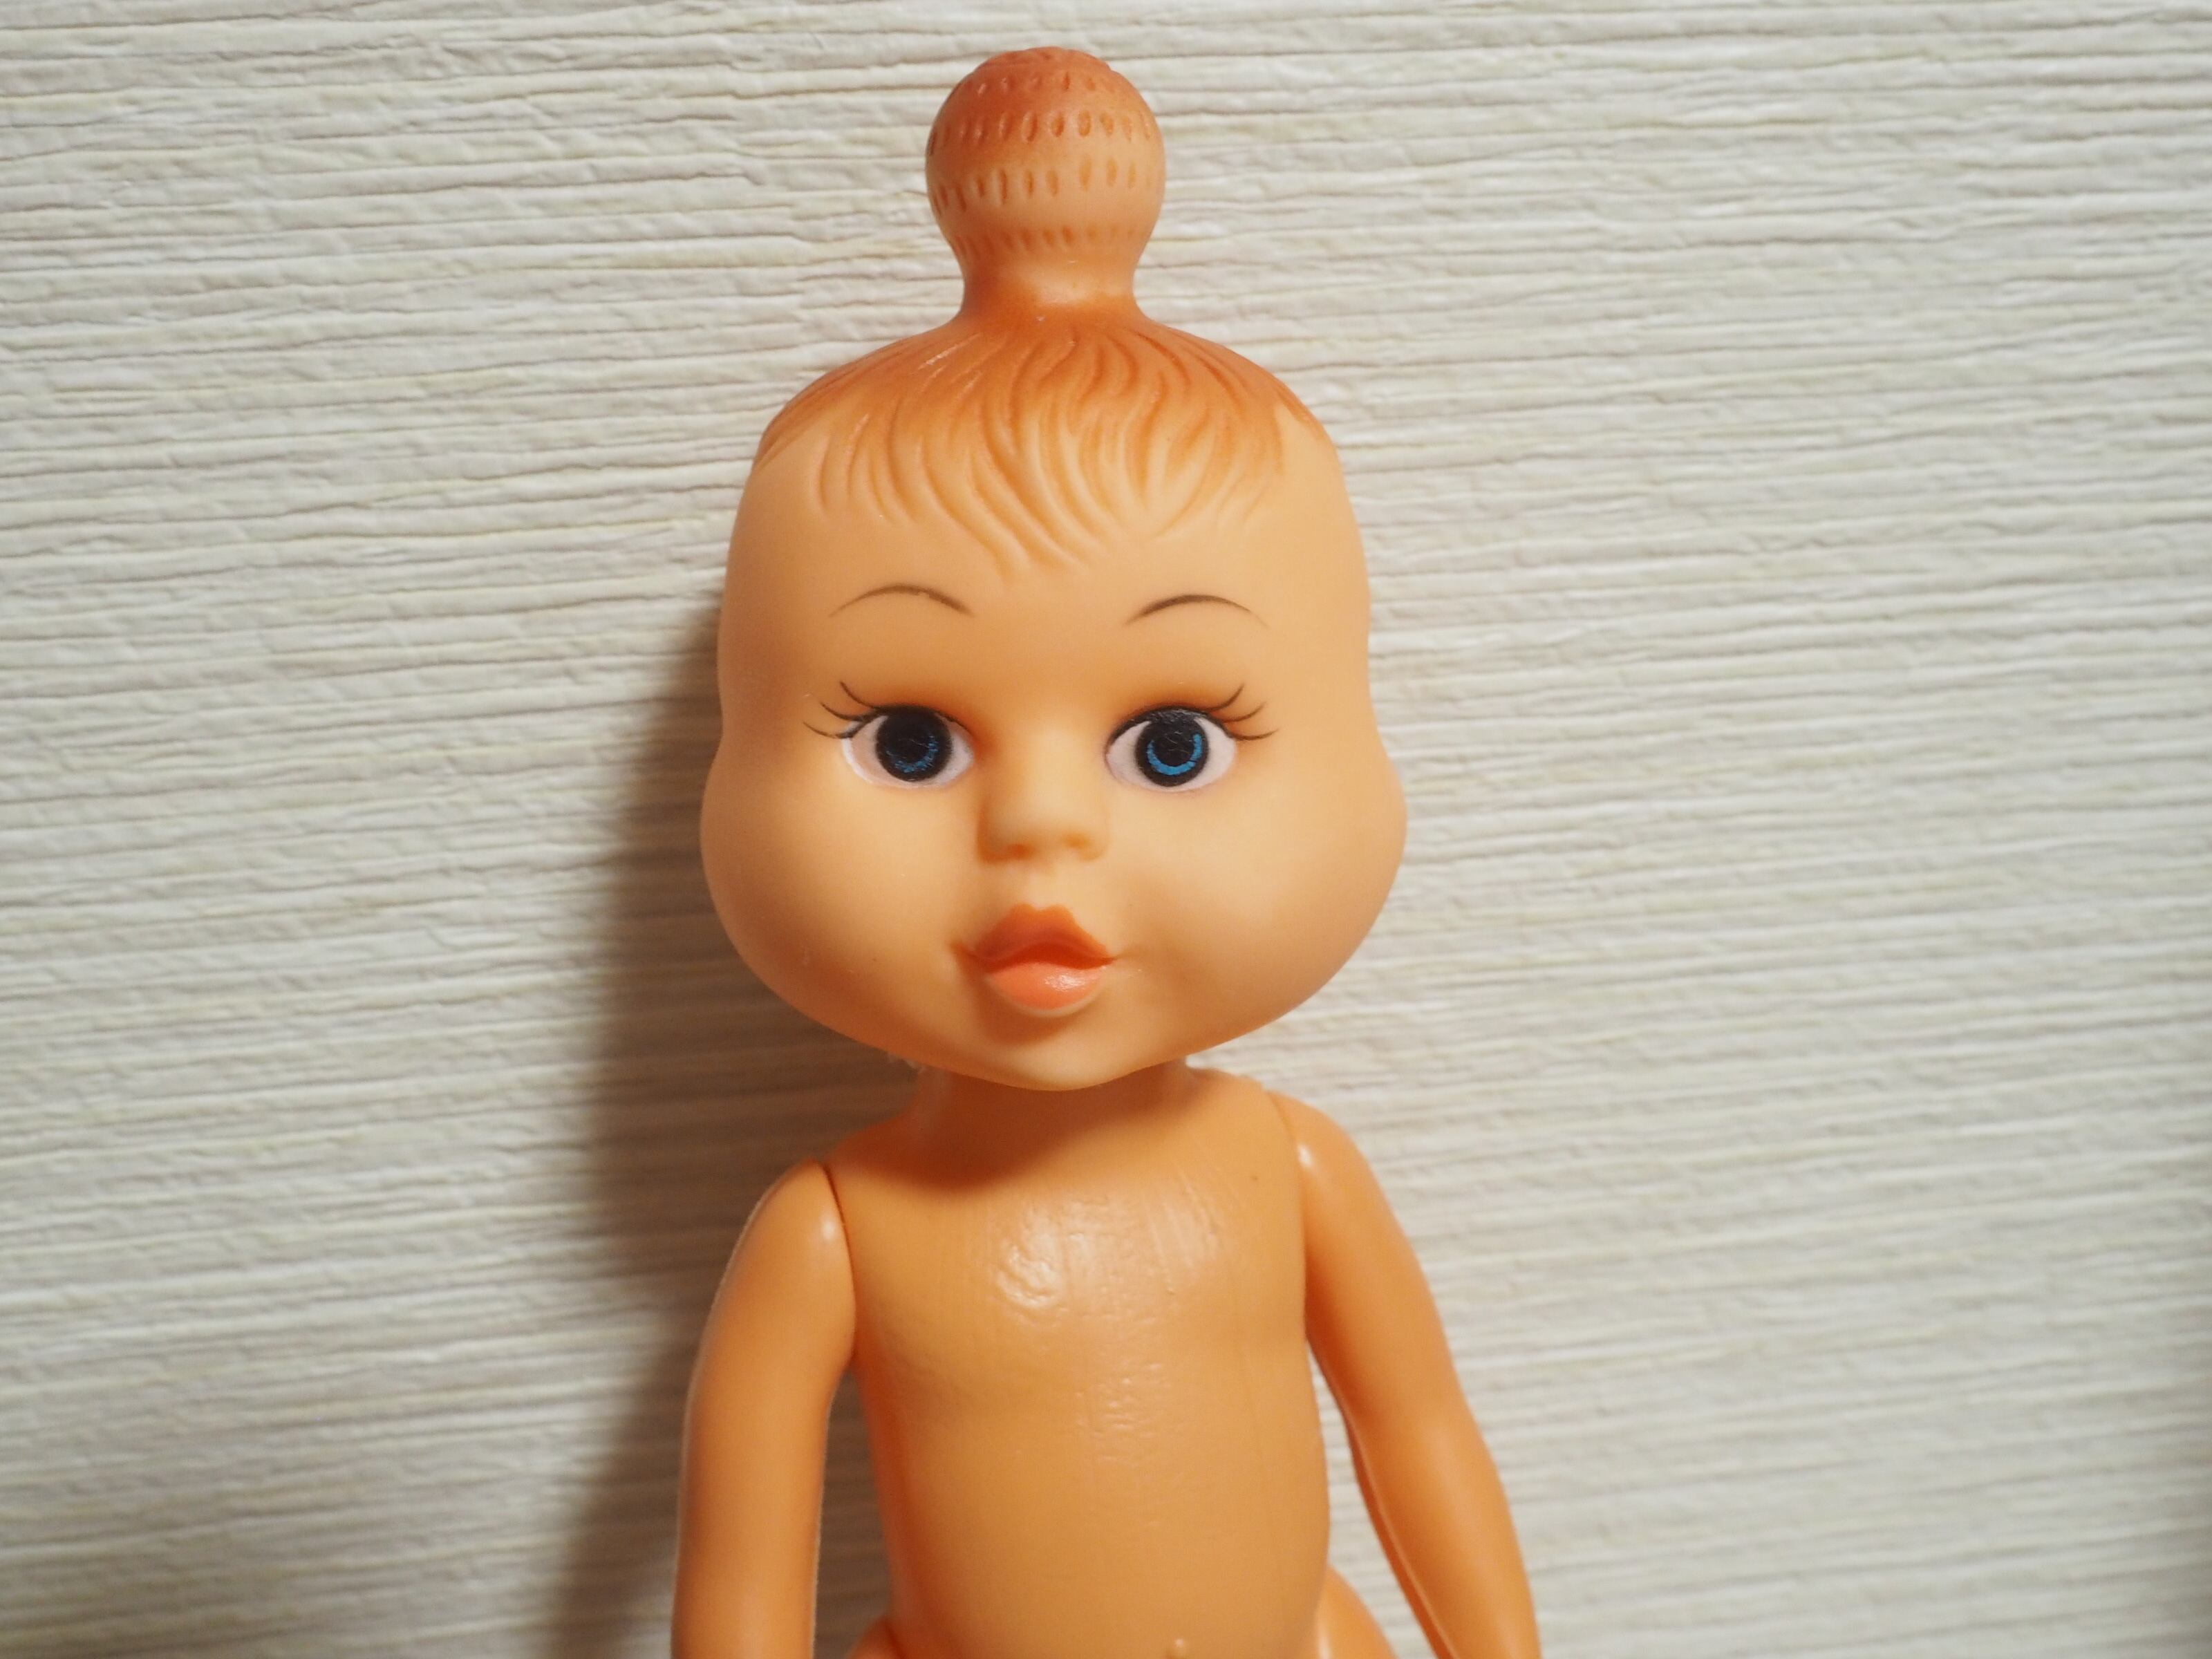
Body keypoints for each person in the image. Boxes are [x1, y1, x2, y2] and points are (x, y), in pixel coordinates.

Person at [676, 46, 1539, 1659]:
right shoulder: (837, 1232)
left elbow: (1419, 1441)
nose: (1042, 834)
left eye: (1172, 744)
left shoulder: (1288, 1169)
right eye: (911, 742)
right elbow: (741, 1590)